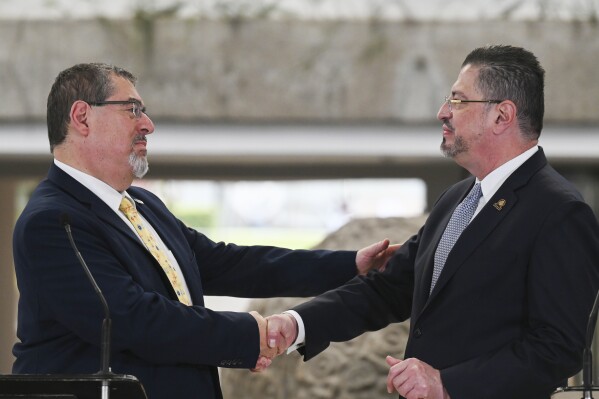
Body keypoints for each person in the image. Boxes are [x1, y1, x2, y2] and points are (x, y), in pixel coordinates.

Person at [11, 62, 399, 399]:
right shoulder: (52, 221)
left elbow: (230, 263)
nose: (148, 124)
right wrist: (251, 335)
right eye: (133, 110)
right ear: (82, 117)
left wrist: (351, 265)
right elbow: (134, 319)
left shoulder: (143, 207)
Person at [265, 44, 599, 399]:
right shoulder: (457, 199)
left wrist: (447, 384)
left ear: (502, 115)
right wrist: (296, 323)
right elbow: (388, 289)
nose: (443, 112)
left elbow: (559, 347)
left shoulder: (559, 211)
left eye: (458, 100)